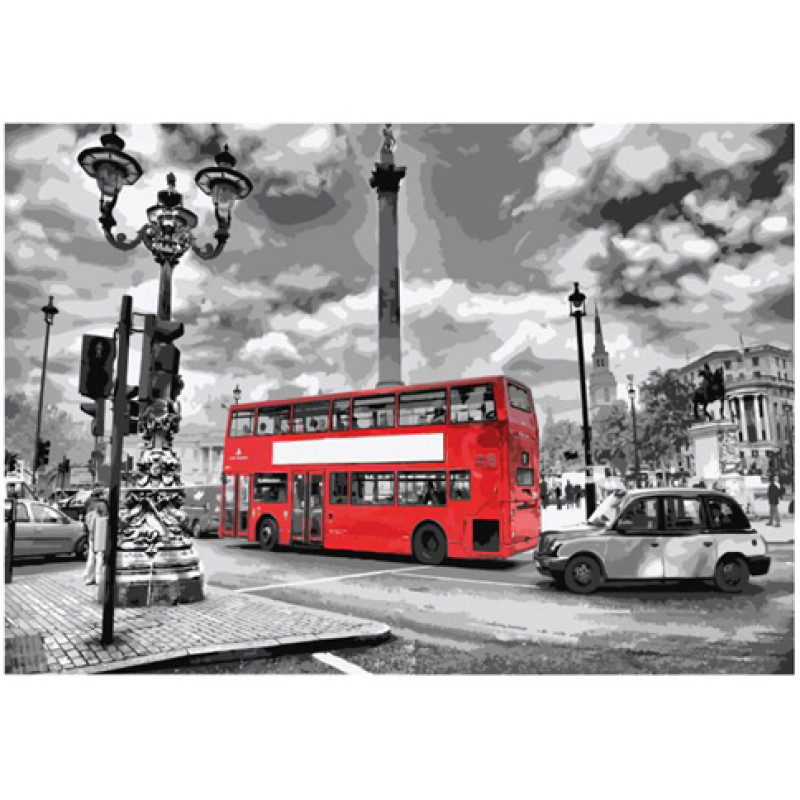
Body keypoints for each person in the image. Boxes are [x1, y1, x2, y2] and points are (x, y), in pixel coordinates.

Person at [83, 486, 108, 585]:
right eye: (104, 493)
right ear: (100, 495)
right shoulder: (102, 505)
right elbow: (105, 519)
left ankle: (88, 577)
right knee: (99, 556)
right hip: (100, 533)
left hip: (91, 533)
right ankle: (98, 578)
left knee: (91, 556)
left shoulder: (89, 504)